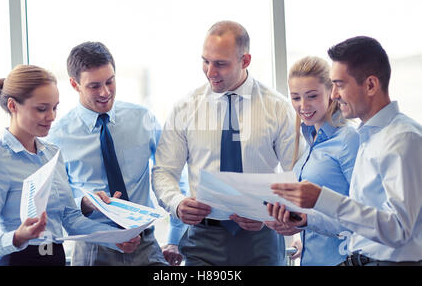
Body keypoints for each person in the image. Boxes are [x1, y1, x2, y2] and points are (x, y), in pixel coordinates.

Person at [152, 20, 303, 266]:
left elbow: (298, 176)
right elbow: (163, 172)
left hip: (262, 236)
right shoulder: (185, 108)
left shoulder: (277, 108)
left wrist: (269, 213)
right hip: (202, 238)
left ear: (245, 61)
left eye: (220, 64)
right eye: (205, 61)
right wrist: (177, 203)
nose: (210, 71)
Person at [272, 36, 422, 266]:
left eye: (340, 85)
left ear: (371, 85)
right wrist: (307, 219)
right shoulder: (369, 137)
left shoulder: (403, 139)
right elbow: (356, 222)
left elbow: (398, 230)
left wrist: (322, 198)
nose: (333, 95)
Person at [0, 65, 140, 266]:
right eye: (41, 109)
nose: (51, 116)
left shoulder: (53, 154)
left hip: (56, 259)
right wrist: (18, 237)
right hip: (17, 260)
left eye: (54, 107)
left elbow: (71, 219)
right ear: (13, 106)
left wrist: (117, 239)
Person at [46, 41, 181, 266]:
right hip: (94, 249)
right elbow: (56, 204)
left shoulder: (143, 119)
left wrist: (175, 238)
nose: (105, 92)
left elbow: (172, 175)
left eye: (110, 81)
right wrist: (85, 203)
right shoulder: (57, 136)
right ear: (74, 84)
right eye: (94, 86)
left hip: (145, 244)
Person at [264, 56, 359, 265]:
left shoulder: (348, 139)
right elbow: (313, 213)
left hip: (341, 260)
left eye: (312, 96)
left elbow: (365, 216)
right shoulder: (307, 142)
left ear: (332, 93)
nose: (303, 105)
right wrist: (296, 226)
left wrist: (307, 220)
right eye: (296, 97)